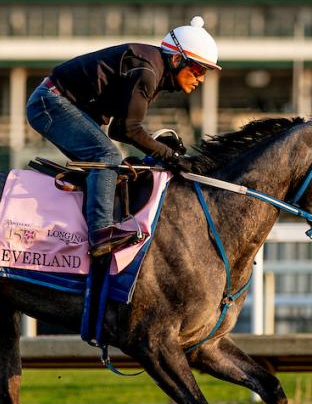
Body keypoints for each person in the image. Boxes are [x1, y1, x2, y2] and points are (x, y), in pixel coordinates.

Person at [26, 16, 220, 257]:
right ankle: (100, 233)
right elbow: (129, 130)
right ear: (177, 59)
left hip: (65, 104)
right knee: (106, 155)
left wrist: (161, 147)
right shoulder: (148, 72)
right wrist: (168, 154)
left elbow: (119, 129)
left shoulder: (155, 71)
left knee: (111, 164)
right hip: (50, 102)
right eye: (198, 69)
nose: (201, 78)